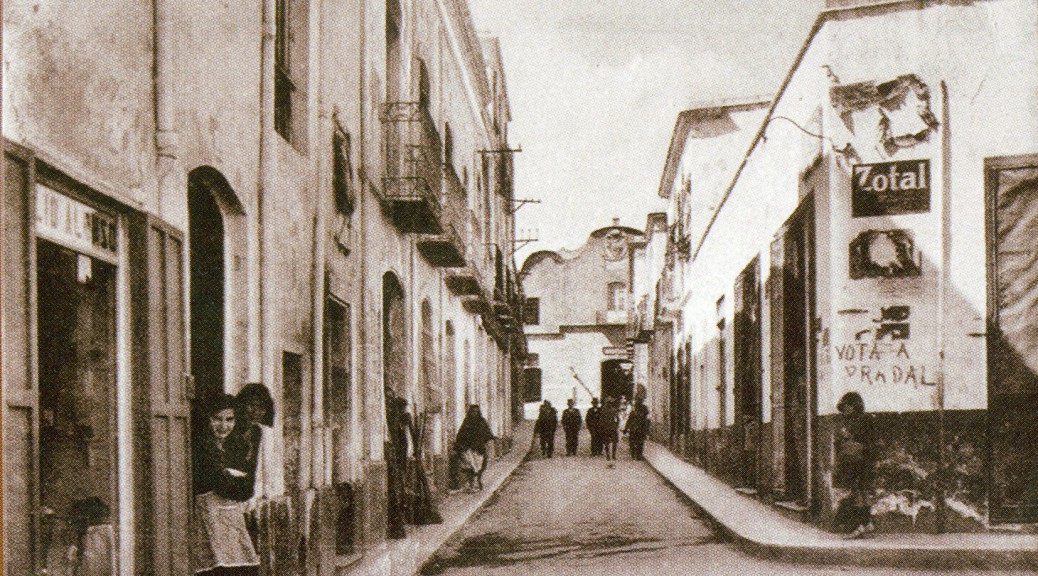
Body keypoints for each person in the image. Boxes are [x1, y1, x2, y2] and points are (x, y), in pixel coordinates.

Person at [191, 394, 260, 576]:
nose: (223, 426)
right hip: (209, 520)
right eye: (217, 419)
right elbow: (221, 484)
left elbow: (247, 490)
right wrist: (234, 479)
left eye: (229, 419)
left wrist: (234, 480)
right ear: (207, 419)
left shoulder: (233, 448)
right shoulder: (201, 448)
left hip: (232, 522)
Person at [834, 392, 877, 539]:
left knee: (858, 493)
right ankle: (867, 523)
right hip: (861, 460)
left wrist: (848, 437)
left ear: (854, 406)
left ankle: (859, 526)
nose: (845, 410)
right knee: (862, 493)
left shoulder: (862, 420)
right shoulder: (856, 420)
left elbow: (865, 441)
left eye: (847, 406)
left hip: (859, 461)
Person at [235, 383, 282, 514]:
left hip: (244, 499)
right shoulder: (230, 428)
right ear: (242, 404)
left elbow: (251, 468)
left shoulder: (256, 432)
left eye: (261, 407)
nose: (256, 411)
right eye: (251, 405)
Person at [454, 404, 495, 491]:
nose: (474, 413)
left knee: (479, 467)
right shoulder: (467, 421)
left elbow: (488, 434)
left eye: (476, 412)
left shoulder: (482, 422)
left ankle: (478, 482)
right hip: (468, 448)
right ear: (470, 412)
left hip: (479, 449)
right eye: (472, 411)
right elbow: (461, 434)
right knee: (471, 467)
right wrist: (460, 444)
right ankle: (472, 485)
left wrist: (488, 444)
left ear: (479, 412)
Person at [599, 396, 620, 462]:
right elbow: (601, 420)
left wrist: (616, 426)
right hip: (609, 428)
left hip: (610, 428)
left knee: (612, 442)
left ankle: (611, 455)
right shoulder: (605, 411)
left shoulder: (610, 410)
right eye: (608, 403)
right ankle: (610, 455)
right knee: (608, 442)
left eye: (609, 403)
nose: (609, 404)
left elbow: (617, 419)